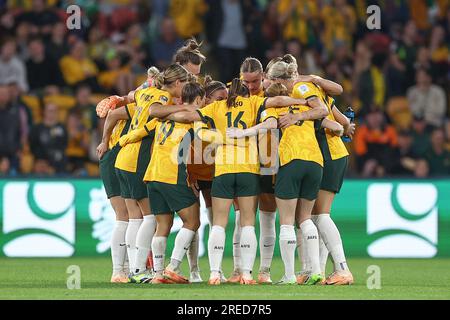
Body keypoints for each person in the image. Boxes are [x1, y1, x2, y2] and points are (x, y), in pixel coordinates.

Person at [165, 78, 310, 285]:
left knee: (219, 223)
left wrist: (167, 113)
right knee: (248, 223)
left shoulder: (216, 107)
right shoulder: (253, 103)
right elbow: (276, 103)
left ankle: (214, 273)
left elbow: (191, 120)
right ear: (245, 93)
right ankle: (247, 274)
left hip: (223, 168)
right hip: (248, 169)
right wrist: (303, 102)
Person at [97, 64, 197, 282]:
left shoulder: (145, 93)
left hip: (125, 156)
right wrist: (184, 110)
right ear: (177, 83)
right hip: (137, 157)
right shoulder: (162, 98)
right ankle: (136, 270)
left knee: (132, 218)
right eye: (184, 86)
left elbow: (135, 97)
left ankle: (125, 270)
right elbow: (154, 113)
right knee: (147, 217)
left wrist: (122, 98)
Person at [267, 58, 354, 285]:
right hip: (323, 154)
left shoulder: (301, 88)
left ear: (279, 78)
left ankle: (342, 268)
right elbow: (341, 120)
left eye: (270, 79)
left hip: (328, 154)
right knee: (311, 217)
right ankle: (316, 270)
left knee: (319, 215)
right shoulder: (304, 89)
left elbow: (325, 113)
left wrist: (297, 116)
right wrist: (346, 126)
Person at [120, 82, 206, 284]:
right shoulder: (194, 118)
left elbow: (141, 130)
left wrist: (124, 140)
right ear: (199, 99)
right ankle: (173, 266)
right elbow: (191, 120)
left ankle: (158, 274)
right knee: (193, 221)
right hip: (172, 174)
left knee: (163, 225)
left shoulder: (160, 117)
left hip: (152, 175)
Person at [97, 102, 136, 283]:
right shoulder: (141, 104)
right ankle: (118, 271)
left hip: (127, 157)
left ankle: (129, 268)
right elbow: (111, 115)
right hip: (115, 155)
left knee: (136, 217)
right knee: (124, 215)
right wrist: (104, 141)